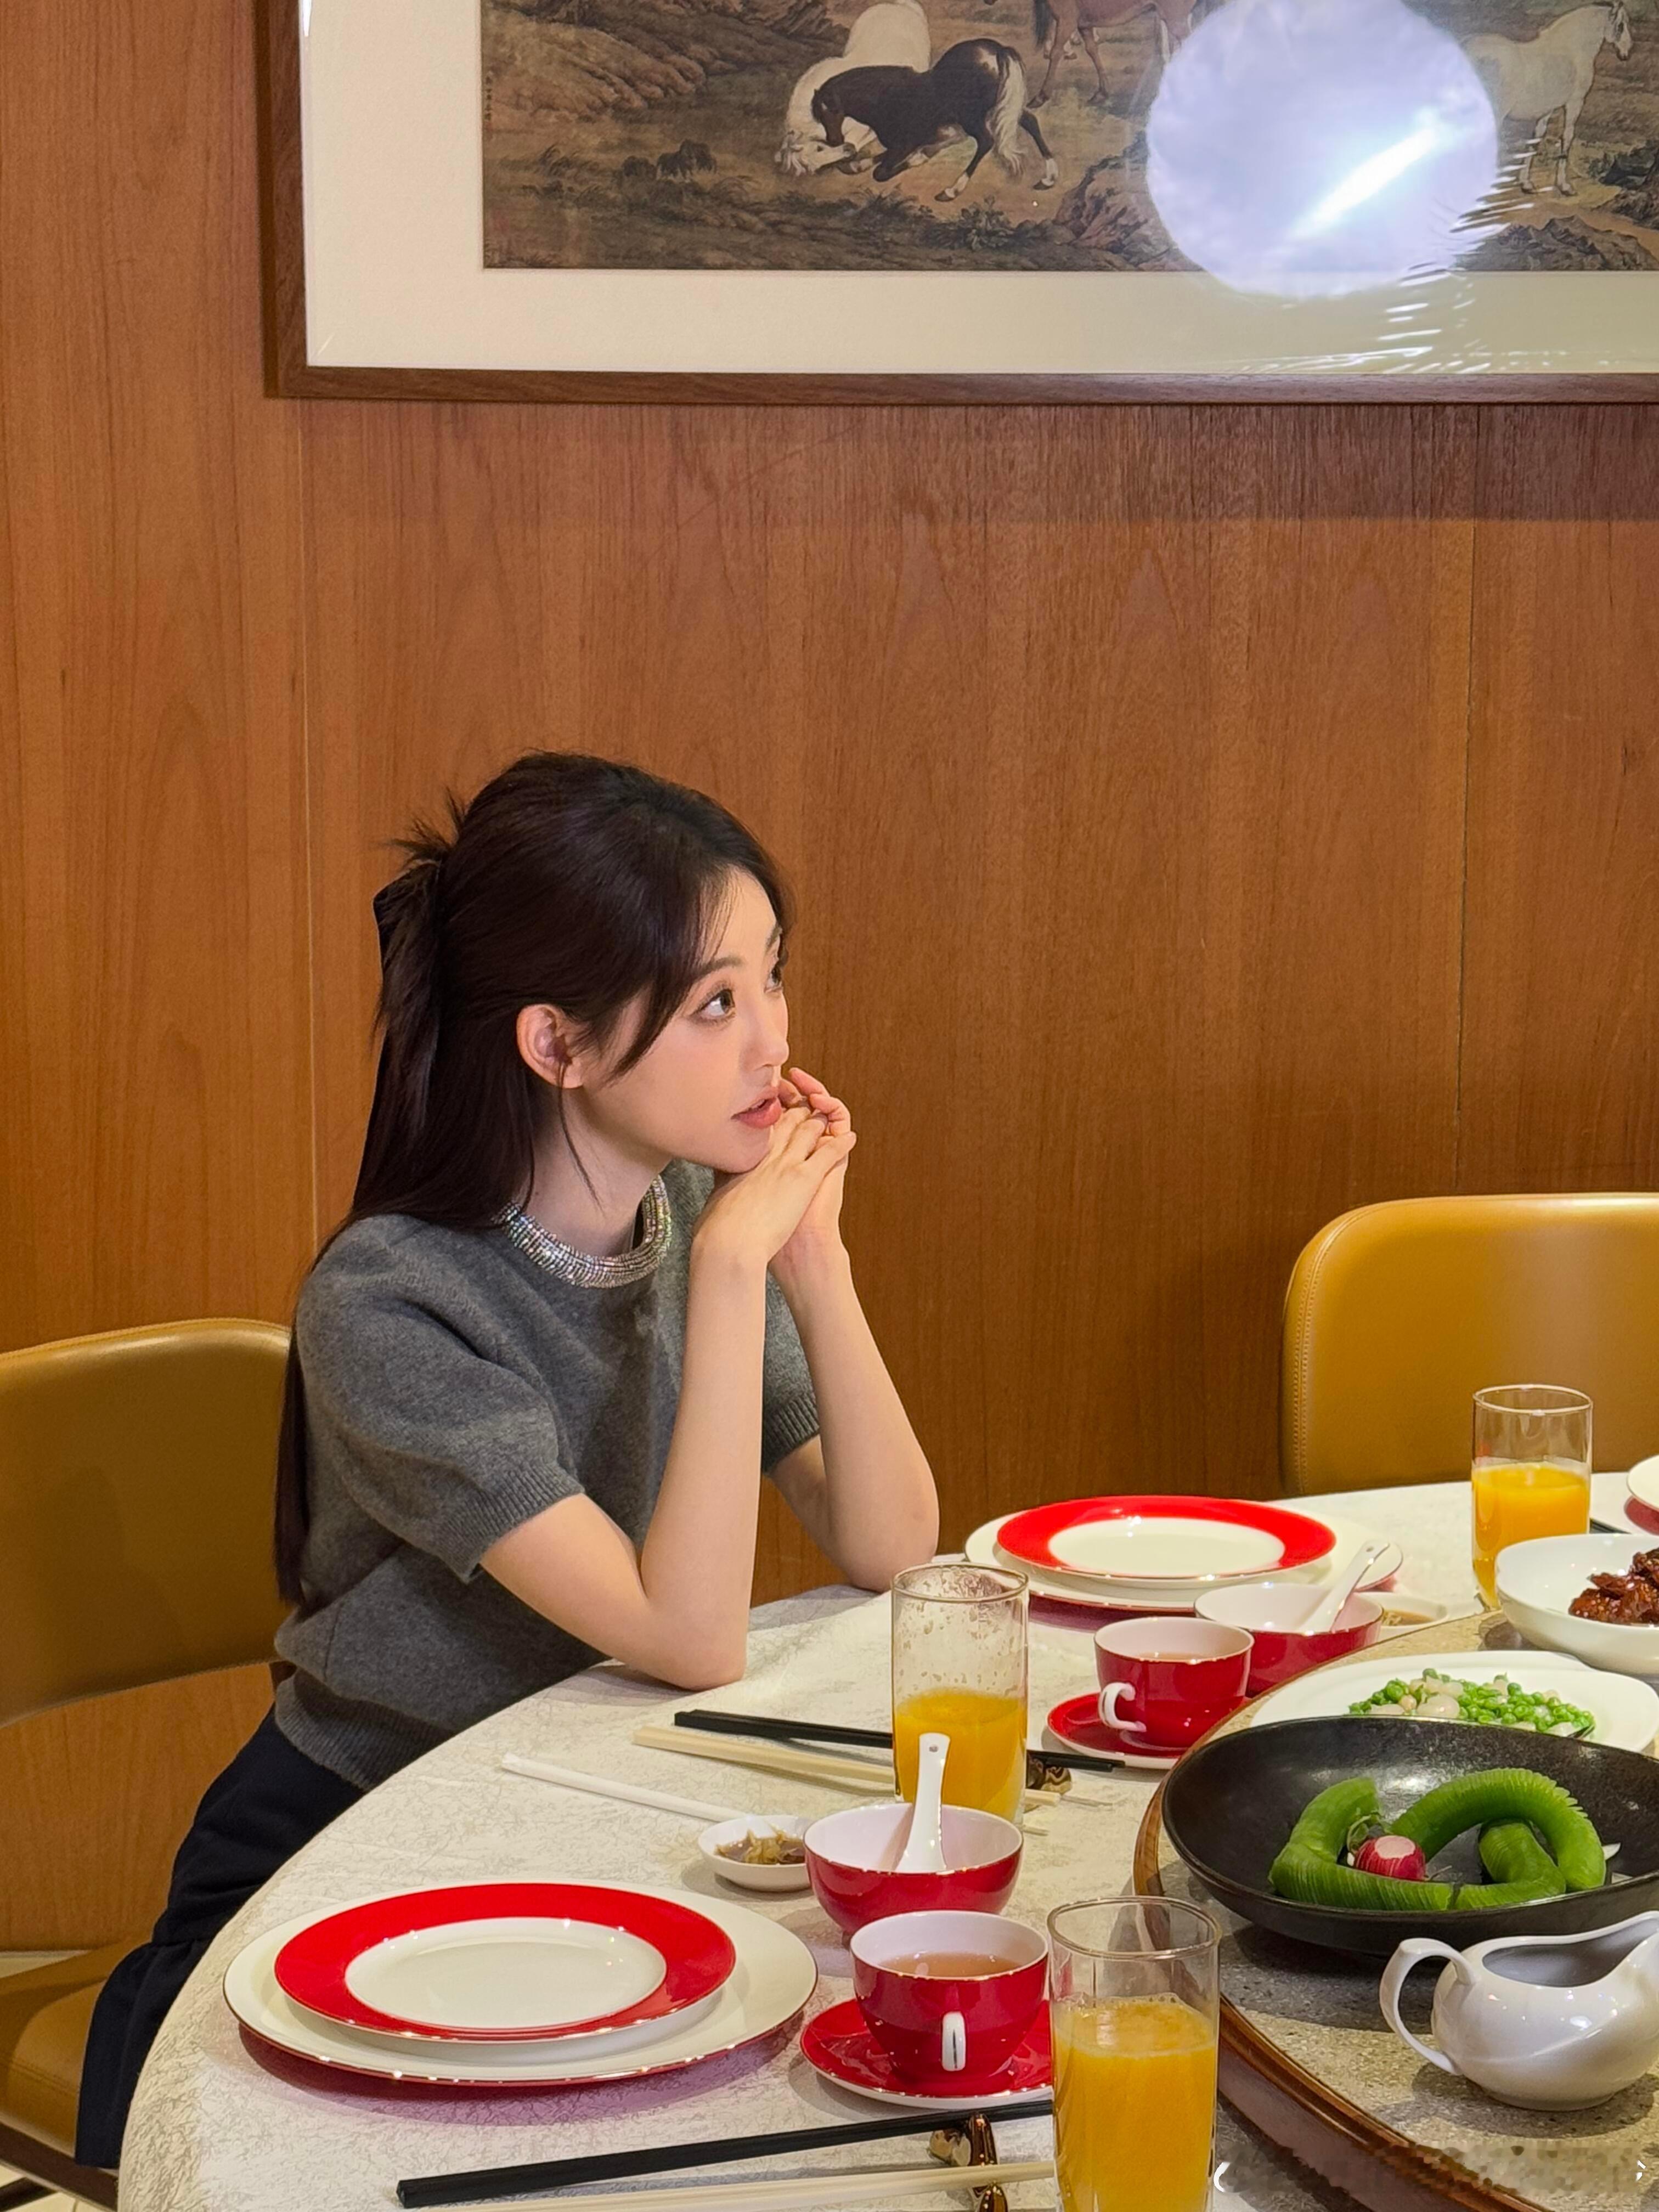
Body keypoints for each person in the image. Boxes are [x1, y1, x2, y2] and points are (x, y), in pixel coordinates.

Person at [76, 749, 939, 2165]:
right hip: (349, 1840)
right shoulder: (392, 1302)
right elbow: (691, 1637)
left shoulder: (683, 1216)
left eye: (773, 979)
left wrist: (816, 1265)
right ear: (557, 1044)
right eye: (715, 1004)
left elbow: (892, 1543)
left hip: (570, 1809)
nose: (772, 1045)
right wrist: (736, 1273)